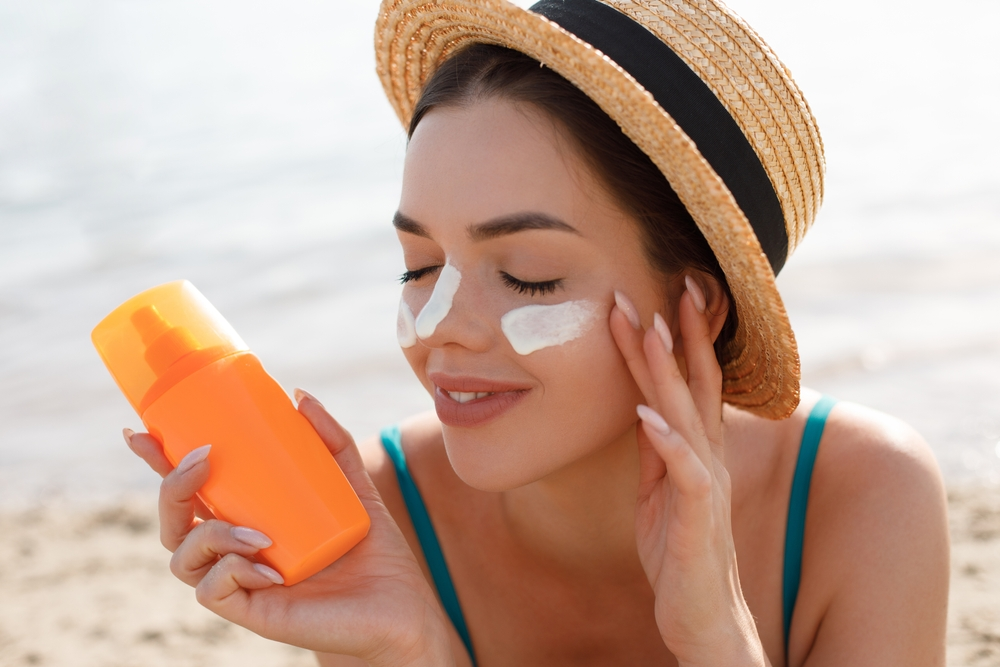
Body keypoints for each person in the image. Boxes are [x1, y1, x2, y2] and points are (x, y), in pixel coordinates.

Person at [124, 0, 950, 664]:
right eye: (418, 266)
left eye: (527, 274)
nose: (436, 327)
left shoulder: (862, 497)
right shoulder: (384, 519)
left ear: (698, 304)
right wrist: (408, 650)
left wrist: (716, 638)